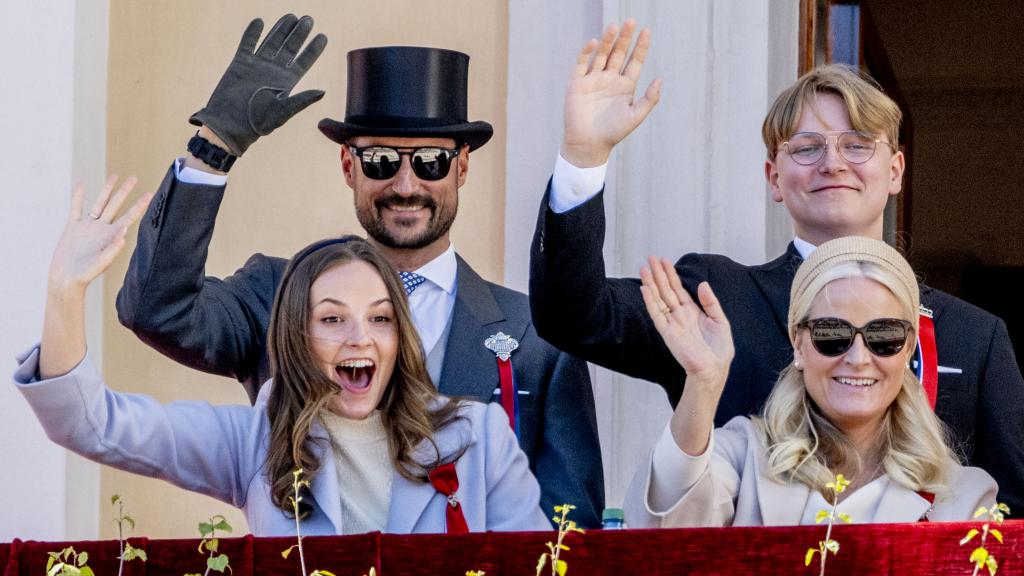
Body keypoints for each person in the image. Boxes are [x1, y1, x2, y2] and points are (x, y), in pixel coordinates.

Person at [116, 15, 604, 527]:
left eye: (432, 162)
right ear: (348, 167)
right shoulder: (277, 296)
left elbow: (570, 532)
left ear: (462, 167)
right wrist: (213, 147)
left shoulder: (535, 337)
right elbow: (155, 309)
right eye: (380, 161)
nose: (405, 184)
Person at [529, 20, 1024, 512]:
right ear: (774, 178)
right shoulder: (715, 296)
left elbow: (1012, 514)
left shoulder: (974, 337)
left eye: (857, 144)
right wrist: (583, 158)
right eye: (807, 148)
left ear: (894, 171)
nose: (832, 163)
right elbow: (574, 316)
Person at [15, 177, 550, 535]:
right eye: (333, 319)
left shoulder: (478, 436)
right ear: (298, 337)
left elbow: (538, 567)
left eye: (381, 318)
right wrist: (65, 290)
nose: (360, 338)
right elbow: (92, 425)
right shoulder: (255, 441)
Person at [623, 237, 997, 526]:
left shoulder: (962, 495)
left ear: (908, 348)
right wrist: (703, 382)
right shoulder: (742, 455)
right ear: (799, 344)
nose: (858, 357)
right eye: (831, 334)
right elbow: (661, 527)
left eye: (884, 336)